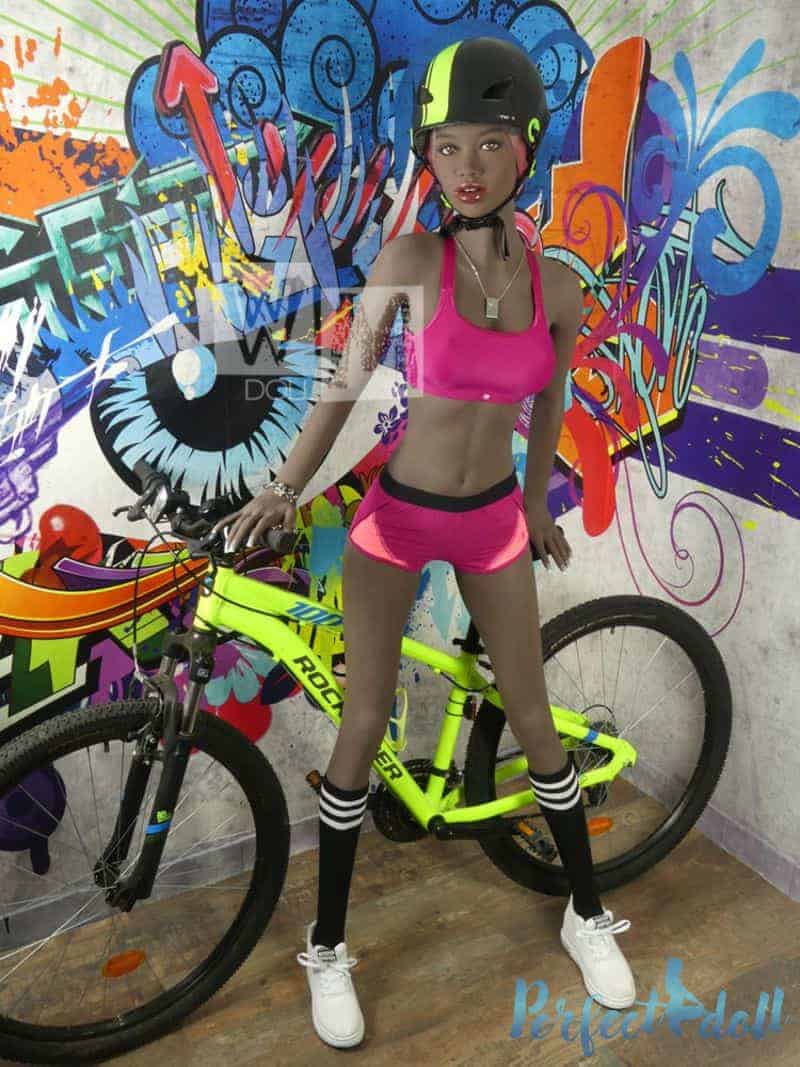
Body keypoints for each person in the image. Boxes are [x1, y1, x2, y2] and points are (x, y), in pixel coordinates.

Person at [213, 34, 636, 1050]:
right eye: (446, 147)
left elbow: (549, 403)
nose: (465, 167)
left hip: (492, 521)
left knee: (535, 722)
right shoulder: (411, 260)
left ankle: (584, 914)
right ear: (428, 156)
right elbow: (344, 383)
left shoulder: (559, 287)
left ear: (524, 149)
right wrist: (283, 488)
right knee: (361, 728)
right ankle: (327, 945)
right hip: (396, 518)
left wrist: (536, 503)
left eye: (488, 143)